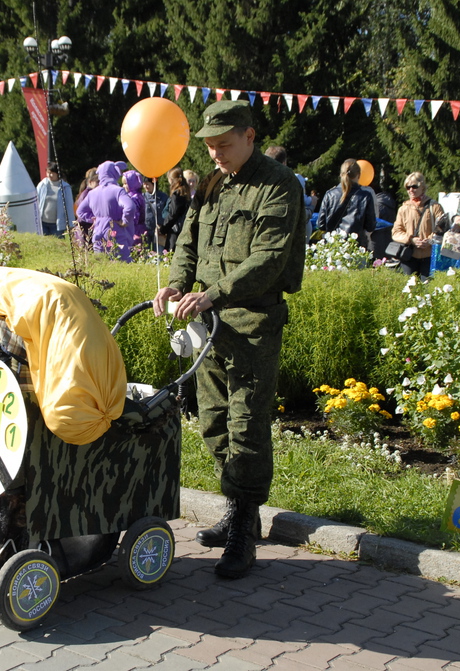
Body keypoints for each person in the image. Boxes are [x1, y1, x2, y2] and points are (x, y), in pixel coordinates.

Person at [151, 100, 304, 579]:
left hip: (252, 325)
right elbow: (188, 243)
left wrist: (212, 293)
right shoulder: (213, 183)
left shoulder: (278, 186)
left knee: (247, 427)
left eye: (224, 144)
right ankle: (241, 509)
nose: (215, 154)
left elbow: (269, 259)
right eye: (210, 146)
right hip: (210, 325)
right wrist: (177, 282)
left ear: (250, 136)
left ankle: (243, 526)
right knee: (213, 422)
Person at [76, 161, 137, 261]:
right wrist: (125, 221)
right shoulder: (118, 191)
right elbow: (130, 207)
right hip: (114, 230)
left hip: (97, 231)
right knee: (121, 262)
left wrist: (93, 219)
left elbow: (80, 211)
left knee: (100, 264)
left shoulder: (92, 193)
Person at [391, 172, 445, 277]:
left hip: (430, 255)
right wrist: (411, 239)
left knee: (429, 288)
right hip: (409, 256)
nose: (411, 190)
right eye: (408, 187)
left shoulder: (435, 207)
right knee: (409, 288)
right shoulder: (403, 208)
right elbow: (396, 232)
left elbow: (442, 229)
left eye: (414, 186)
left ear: (422, 187)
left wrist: (429, 240)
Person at [316, 159, 376, 251]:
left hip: (333, 245)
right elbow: (370, 226)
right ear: (359, 175)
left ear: (341, 174)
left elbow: (321, 224)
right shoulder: (365, 196)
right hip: (355, 246)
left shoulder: (330, 194)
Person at [265, 145, 313, 240]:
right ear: (284, 162)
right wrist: (312, 206)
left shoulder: (261, 182)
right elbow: (299, 211)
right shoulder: (293, 180)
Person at [35, 162, 74, 237]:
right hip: (42, 223)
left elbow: (69, 207)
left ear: (58, 173)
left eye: (52, 173)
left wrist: (71, 224)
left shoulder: (65, 187)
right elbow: (36, 201)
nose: (50, 175)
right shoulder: (42, 185)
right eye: (48, 172)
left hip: (57, 225)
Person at [159, 167, 190, 252]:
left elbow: (173, 214)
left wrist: (163, 229)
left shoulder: (177, 194)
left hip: (175, 230)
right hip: (183, 228)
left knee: (171, 254)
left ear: (171, 179)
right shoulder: (185, 191)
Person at [73, 167, 99, 246]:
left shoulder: (94, 193)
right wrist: (94, 219)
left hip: (88, 229)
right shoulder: (87, 195)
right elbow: (80, 214)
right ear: (91, 182)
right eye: (98, 182)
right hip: (84, 230)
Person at [142, 176, 168, 250]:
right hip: (146, 228)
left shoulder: (163, 197)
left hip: (158, 230)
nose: (146, 186)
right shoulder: (142, 197)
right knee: (145, 251)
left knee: (158, 252)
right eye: (144, 184)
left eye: (148, 184)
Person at [122, 169, 147, 245]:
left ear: (132, 184)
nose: (124, 186)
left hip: (135, 230)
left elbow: (134, 216)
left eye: (126, 184)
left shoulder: (133, 198)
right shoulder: (139, 196)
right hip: (141, 229)